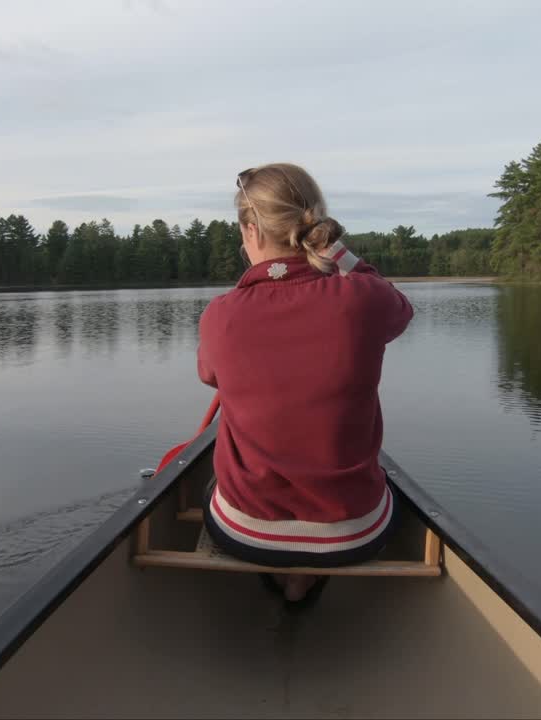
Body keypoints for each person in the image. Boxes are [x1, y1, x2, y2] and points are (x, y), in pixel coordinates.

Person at [196, 163, 414, 604]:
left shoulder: (221, 314)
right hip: (354, 532)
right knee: (385, 491)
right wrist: (340, 257)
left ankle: (286, 579)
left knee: (209, 488)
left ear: (251, 231)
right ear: (318, 228)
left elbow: (209, 375)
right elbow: (398, 305)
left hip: (248, 532)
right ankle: (307, 578)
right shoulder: (362, 297)